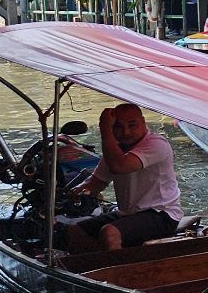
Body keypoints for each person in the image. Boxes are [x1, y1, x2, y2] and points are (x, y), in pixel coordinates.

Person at [65, 104, 183, 251]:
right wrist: (74, 191)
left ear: (143, 122)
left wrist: (105, 130)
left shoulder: (157, 144)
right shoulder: (115, 152)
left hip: (162, 214)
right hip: (129, 214)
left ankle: (117, 271)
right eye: (118, 127)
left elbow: (119, 166)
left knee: (110, 233)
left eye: (132, 125)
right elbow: (97, 182)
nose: (126, 132)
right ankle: (95, 264)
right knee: (76, 232)